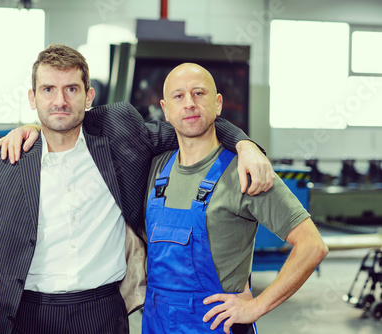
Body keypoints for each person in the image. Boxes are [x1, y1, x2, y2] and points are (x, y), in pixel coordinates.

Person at [0, 45, 274, 334]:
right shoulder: (2, 160)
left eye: (71, 89)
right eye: (48, 90)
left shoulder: (121, 133)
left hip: (101, 310)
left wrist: (244, 144)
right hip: (25, 314)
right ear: (32, 99)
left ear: (88, 96)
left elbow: (190, 123)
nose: (60, 100)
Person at [140, 63, 328, 334]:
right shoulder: (155, 169)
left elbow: (312, 246)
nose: (189, 103)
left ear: (218, 104)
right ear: (165, 109)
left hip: (218, 326)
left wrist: (257, 307)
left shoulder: (247, 171)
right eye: (178, 96)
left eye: (199, 93)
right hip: (156, 325)